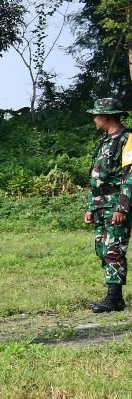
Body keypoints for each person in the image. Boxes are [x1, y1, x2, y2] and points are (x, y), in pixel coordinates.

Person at [84, 97, 132, 313]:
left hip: (115, 206)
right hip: (101, 205)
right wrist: (90, 207)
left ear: (107, 116)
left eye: (96, 115)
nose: (94, 119)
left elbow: (129, 175)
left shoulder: (127, 139)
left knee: (114, 248)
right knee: (102, 248)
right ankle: (114, 297)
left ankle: (114, 299)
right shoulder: (105, 141)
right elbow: (96, 177)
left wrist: (122, 207)